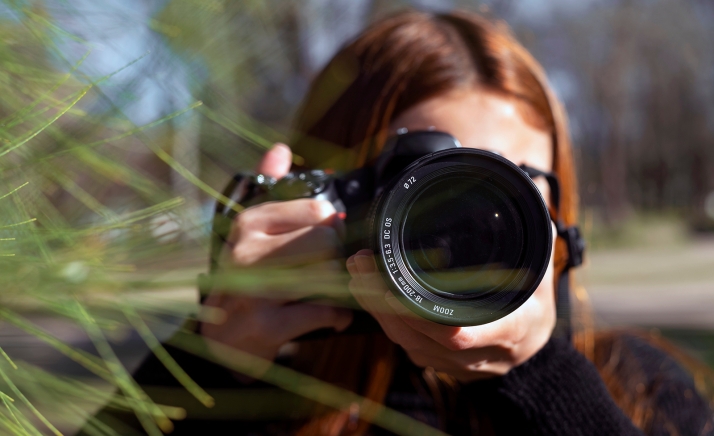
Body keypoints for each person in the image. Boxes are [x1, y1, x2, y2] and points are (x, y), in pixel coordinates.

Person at [83, 10, 713, 436]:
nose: (469, 219)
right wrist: (208, 365)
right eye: (430, 181)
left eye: (511, 183)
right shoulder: (267, 387)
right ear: (334, 196)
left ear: (559, 220)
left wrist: (547, 381)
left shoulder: (640, 387)